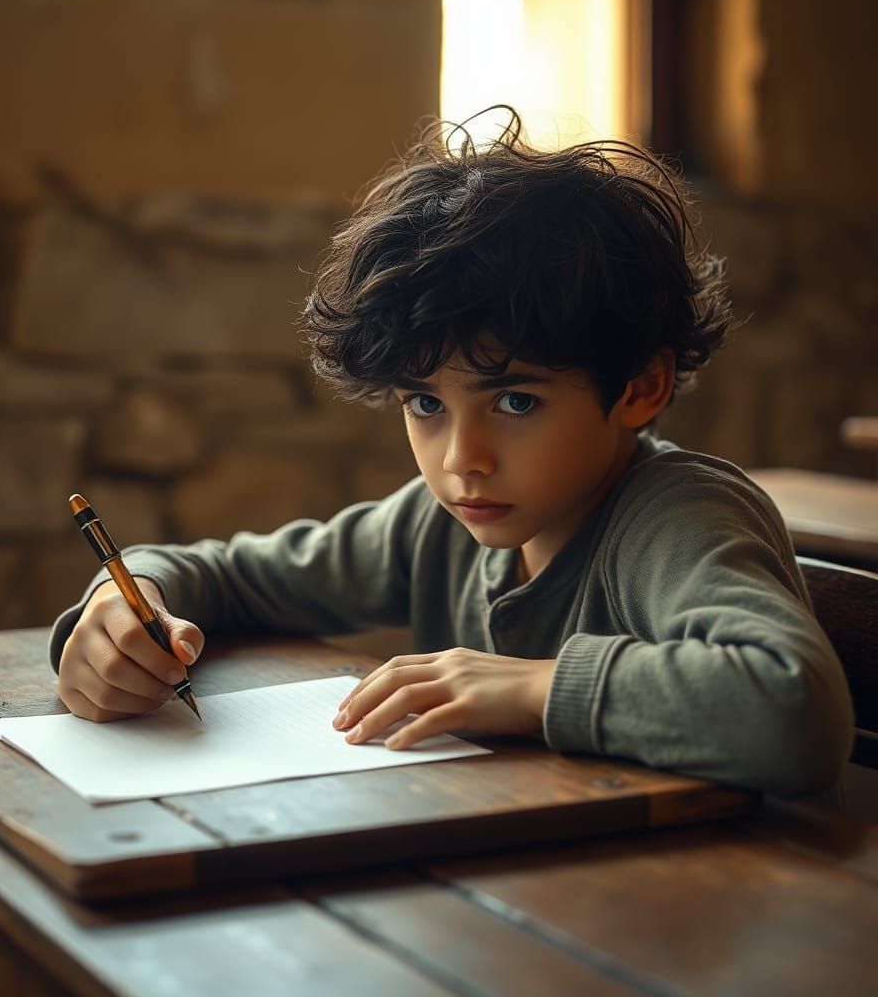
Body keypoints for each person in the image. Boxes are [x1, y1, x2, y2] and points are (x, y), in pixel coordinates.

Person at [49, 108, 853, 797]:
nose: (462, 460)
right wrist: (124, 607)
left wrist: (533, 687)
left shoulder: (677, 517)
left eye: (516, 401)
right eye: (425, 404)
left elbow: (794, 710)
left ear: (642, 386)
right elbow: (231, 574)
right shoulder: (436, 526)